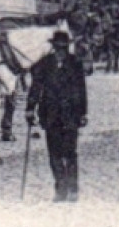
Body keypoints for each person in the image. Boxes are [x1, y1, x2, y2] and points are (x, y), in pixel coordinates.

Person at [26, 29, 88, 202]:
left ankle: (73, 188)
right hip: (50, 114)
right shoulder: (44, 64)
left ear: (67, 48)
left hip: (71, 115)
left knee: (70, 152)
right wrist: (30, 108)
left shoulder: (75, 64)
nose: (61, 52)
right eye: (58, 48)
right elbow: (36, 87)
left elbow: (82, 90)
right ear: (53, 47)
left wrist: (83, 113)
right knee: (54, 154)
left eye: (63, 48)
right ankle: (60, 188)